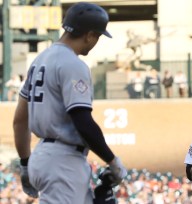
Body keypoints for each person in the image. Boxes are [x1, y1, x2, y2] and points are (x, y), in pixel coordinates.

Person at [13, 2, 127, 204]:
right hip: (62, 161)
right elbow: (82, 120)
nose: (96, 42)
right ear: (90, 35)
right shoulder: (72, 64)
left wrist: (25, 163)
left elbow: (20, 120)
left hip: (44, 156)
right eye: (98, 37)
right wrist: (112, 160)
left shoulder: (40, 60)